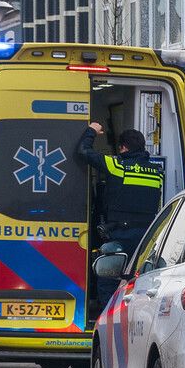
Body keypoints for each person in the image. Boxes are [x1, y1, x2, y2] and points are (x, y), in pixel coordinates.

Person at [78, 122, 164, 310]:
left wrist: (92, 130)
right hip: (145, 240)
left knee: (108, 279)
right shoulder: (157, 173)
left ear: (123, 147)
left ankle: (108, 321)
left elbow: (83, 151)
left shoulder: (117, 165)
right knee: (138, 283)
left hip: (119, 236)